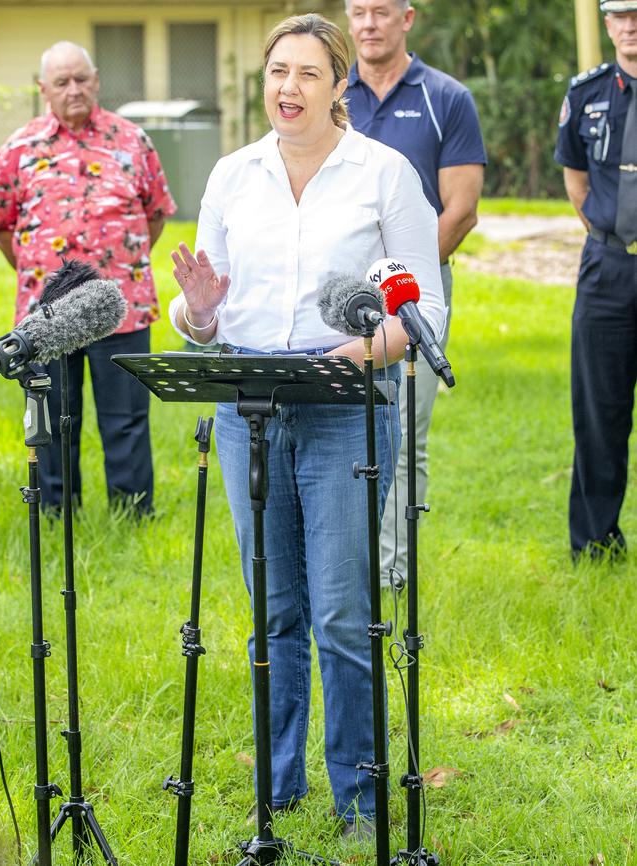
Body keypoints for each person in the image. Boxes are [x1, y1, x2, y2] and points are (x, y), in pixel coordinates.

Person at [168, 13, 445, 836]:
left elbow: (424, 311)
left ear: (338, 88)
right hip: (246, 408)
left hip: (343, 410)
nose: (287, 89)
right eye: (276, 72)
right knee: (273, 610)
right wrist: (201, 314)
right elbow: (199, 310)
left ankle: (361, 798)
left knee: (339, 611)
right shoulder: (231, 175)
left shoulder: (385, 174)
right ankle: (278, 787)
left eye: (307, 74)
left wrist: (363, 351)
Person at [0, 41, 176, 515]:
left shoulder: (133, 140)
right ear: (43, 89)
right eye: (61, 82)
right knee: (51, 419)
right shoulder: (18, 148)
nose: (74, 89)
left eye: (81, 79)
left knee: (126, 419)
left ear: (96, 80)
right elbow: (3, 227)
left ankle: (133, 514)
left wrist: (116, 268)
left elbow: (155, 215)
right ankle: (57, 513)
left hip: (121, 308)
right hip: (44, 316)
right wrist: (45, 280)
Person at [345, 0, 486, 584]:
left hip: (415, 297)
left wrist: (405, 286)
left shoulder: (446, 98)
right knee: (339, 431)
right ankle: (341, 565)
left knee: (403, 435)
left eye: (382, 11)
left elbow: (461, 209)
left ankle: (391, 570)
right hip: (341, 298)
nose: (369, 23)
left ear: (408, 18)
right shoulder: (330, 96)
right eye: (358, 11)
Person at [554, 0, 637, 559]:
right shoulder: (587, 94)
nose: (631, 27)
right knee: (598, 409)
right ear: (607, 23)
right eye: (620, 16)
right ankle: (596, 542)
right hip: (609, 268)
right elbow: (577, 181)